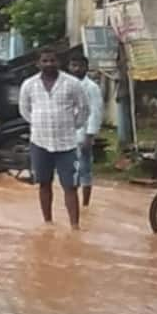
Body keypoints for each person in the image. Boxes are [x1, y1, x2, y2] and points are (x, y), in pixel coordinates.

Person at [20, 48, 90, 230]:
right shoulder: (29, 85)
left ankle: (74, 226)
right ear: (38, 64)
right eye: (45, 61)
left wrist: (71, 126)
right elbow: (25, 110)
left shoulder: (72, 84)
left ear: (59, 63)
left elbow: (83, 109)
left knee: (70, 186)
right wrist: (37, 123)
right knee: (44, 183)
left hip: (66, 144)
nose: (49, 64)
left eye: (52, 60)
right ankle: (48, 222)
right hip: (40, 142)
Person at [68, 54, 103, 207]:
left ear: (86, 68)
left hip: (84, 134)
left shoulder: (92, 87)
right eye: (73, 65)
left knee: (84, 169)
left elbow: (96, 111)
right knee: (71, 170)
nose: (76, 69)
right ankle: (73, 202)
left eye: (79, 66)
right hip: (68, 135)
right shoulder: (67, 85)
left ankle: (85, 204)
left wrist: (90, 135)